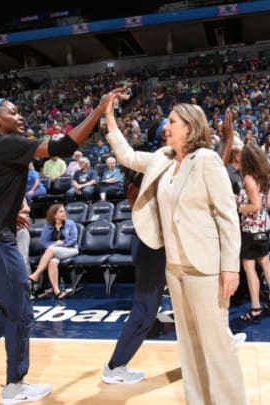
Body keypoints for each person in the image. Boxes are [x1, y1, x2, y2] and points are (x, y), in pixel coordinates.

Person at [0, 89, 122, 405]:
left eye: (20, 112)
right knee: (20, 311)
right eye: (12, 112)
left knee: (14, 311)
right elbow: (64, 145)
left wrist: (10, 209)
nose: (20, 116)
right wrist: (99, 110)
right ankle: (10, 383)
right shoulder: (6, 143)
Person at [104, 95, 247, 404]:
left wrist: (230, 266)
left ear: (189, 127)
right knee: (190, 343)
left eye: (171, 122)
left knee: (217, 344)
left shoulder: (207, 160)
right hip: (175, 267)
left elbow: (227, 216)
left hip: (206, 267)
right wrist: (110, 118)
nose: (165, 127)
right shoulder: (163, 158)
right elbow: (127, 156)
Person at [102, 119, 168, 385]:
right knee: (146, 309)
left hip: (164, 245)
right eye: (167, 129)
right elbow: (135, 199)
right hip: (149, 243)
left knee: (195, 297)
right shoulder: (148, 168)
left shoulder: (172, 163)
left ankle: (216, 344)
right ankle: (115, 365)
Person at [237, 144, 270, 321]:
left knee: (249, 266)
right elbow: (269, 204)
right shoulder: (264, 177)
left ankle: (255, 307)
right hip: (264, 226)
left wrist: (238, 208)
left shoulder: (249, 179)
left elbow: (256, 205)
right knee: (265, 262)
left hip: (251, 228)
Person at [28, 204, 78, 299]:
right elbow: (43, 242)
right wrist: (56, 244)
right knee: (52, 262)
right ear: (54, 215)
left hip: (71, 249)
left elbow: (73, 240)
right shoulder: (48, 226)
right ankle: (57, 291)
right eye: (61, 211)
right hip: (55, 252)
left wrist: (58, 244)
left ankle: (36, 275)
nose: (64, 213)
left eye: (64, 211)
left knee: (50, 249)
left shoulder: (70, 223)